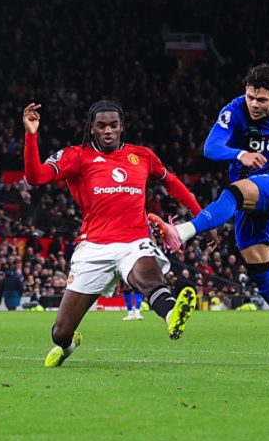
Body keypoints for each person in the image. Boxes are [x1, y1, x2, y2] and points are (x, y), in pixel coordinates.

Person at [152, 64, 269, 366]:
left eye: (261, 99)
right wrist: (240, 154)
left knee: (232, 193)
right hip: (251, 194)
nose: (254, 103)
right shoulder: (235, 110)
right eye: (250, 96)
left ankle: (182, 233)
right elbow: (211, 148)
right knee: (259, 272)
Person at [23, 100, 202, 368]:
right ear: (92, 129)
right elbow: (36, 177)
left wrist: (201, 218)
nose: (108, 130)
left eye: (113, 125)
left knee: (149, 279)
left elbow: (173, 183)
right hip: (94, 247)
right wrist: (31, 134)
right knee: (60, 332)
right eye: (101, 126)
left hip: (134, 241)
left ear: (121, 127)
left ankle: (172, 315)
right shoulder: (76, 156)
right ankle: (68, 346)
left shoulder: (142, 156)